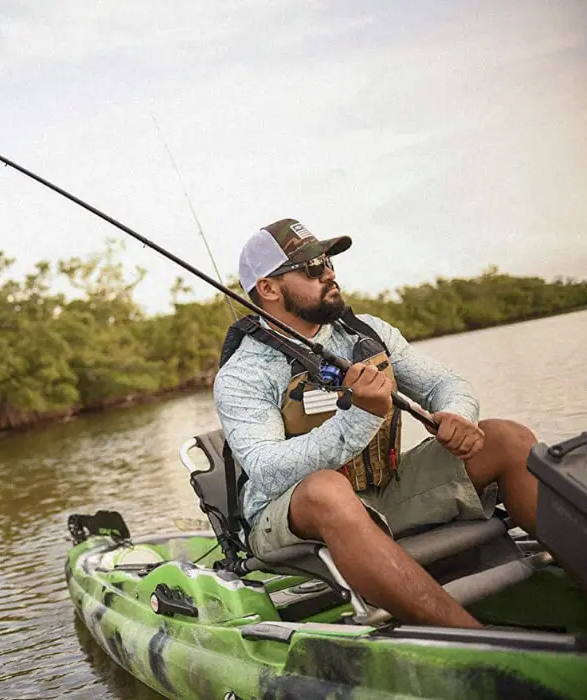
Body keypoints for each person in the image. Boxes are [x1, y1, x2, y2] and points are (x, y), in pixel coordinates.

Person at [212, 218, 543, 629]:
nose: (329, 272)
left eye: (328, 260)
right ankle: (475, 638)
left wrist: (458, 413)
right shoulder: (243, 373)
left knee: (508, 439)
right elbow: (266, 469)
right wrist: (361, 417)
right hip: (286, 520)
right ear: (269, 288)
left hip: (383, 492)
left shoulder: (366, 332)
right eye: (312, 267)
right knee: (326, 490)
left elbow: (444, 383)